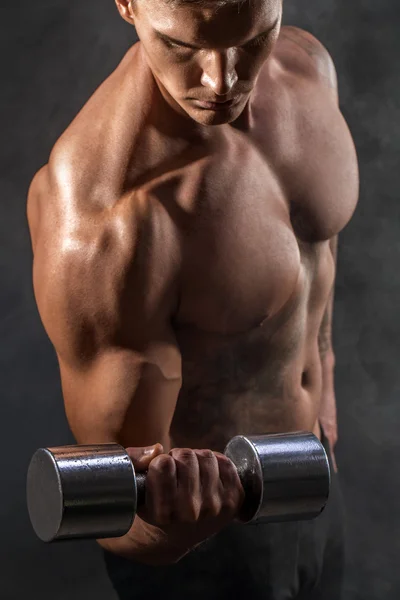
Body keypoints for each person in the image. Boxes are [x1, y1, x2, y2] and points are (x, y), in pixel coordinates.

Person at [26, 0, 359, 597]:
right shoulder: (108, 223)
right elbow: (116, 514)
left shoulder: (308, 68)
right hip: (208, 558)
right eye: (182, 47)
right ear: (127, 5)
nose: (223, 81)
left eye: (252, 38)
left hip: (314, 479)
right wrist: (174, 526)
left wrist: (324, 374)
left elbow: (320, 249)